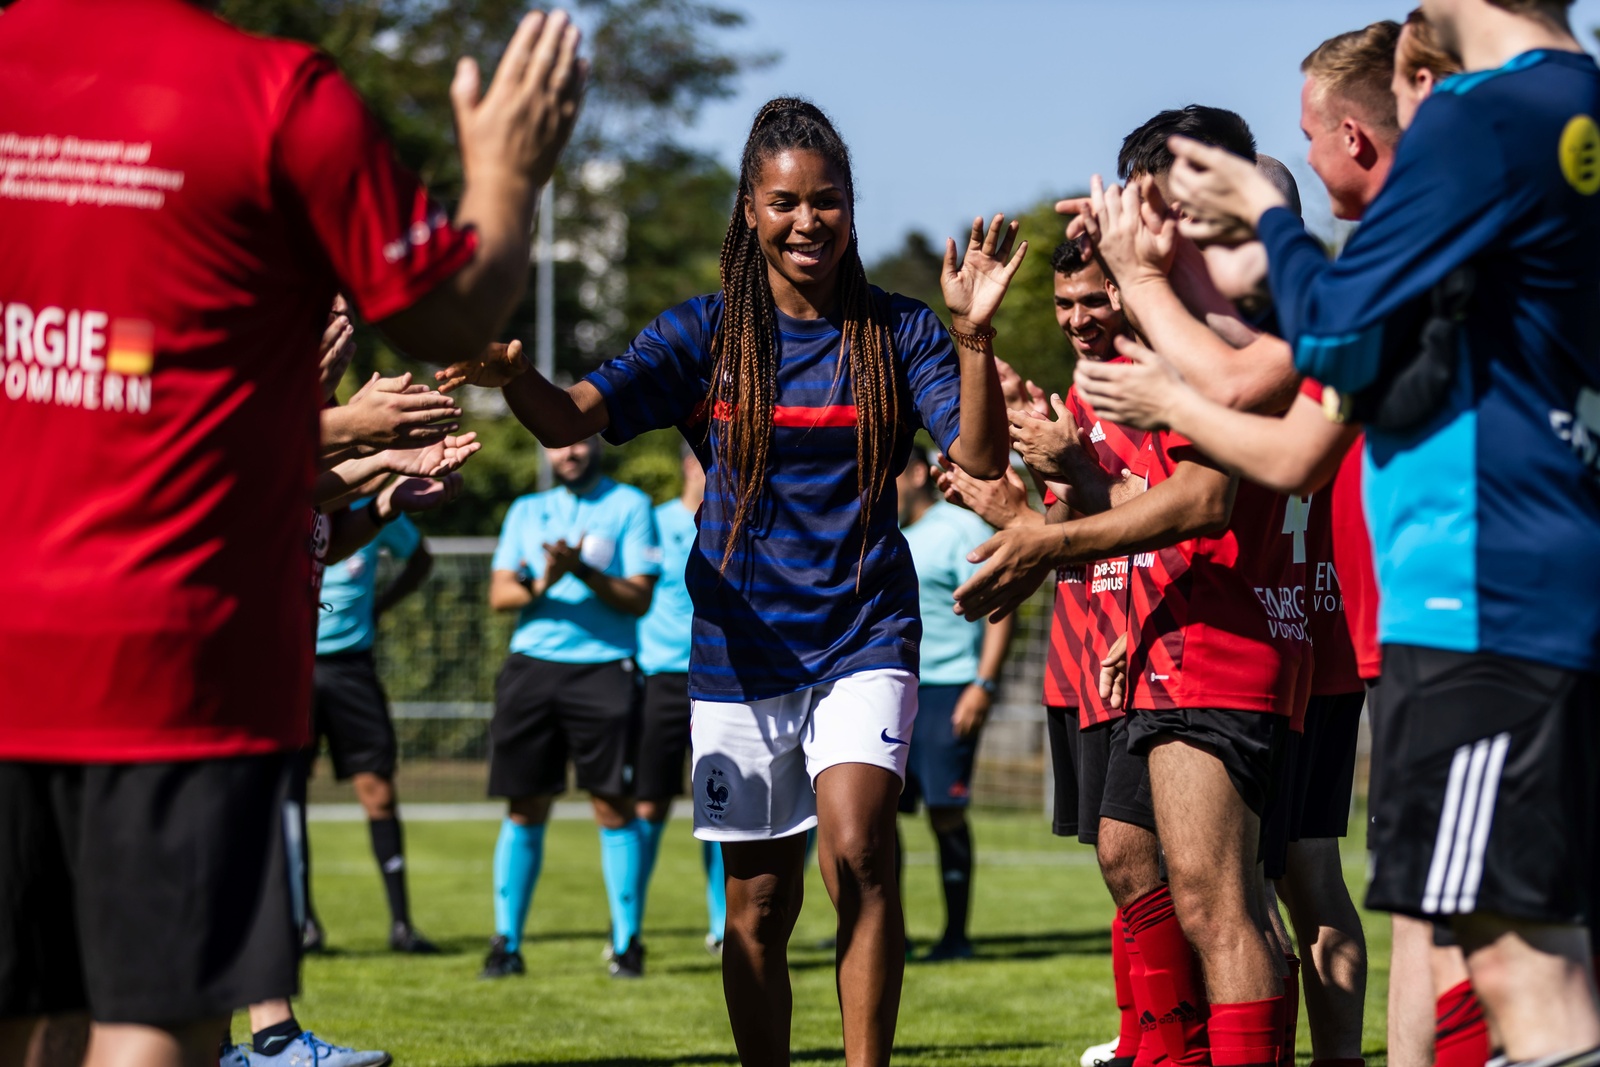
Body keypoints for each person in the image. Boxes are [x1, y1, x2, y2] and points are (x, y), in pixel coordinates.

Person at [0, 2, 583, 1064]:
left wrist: (369, 472)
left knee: (37, 1010)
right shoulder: (276, 98)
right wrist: (508, 174)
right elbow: (451, 314)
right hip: (166, 665)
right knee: (154, 1019)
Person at [439, 96, 1011, 1067]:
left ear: (851, 207)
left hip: (863, 634)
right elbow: (569, 418)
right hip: (738, 651)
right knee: (758, 903)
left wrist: (975, 338)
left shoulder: (900, 330)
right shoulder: (701, 335)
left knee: (860, 851)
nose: (807, 222)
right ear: (749, 209)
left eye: (827, 201)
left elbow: (981, 457)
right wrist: (514, 375)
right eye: (785, 202)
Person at [1163, 0, 1600, 1061]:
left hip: (1480, 588)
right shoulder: (1571, 108)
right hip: (1526, 574)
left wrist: (1264, 218)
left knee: (1509, 958)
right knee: (1498, 942)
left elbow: (1334, 331)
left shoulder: (1482, 114)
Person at [481, 437, 660, 980]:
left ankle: (627, 944)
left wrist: (581, 571)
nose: (569, 453)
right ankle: (506, 944)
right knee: (525, 806)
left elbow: (639, 598)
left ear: (596, 443)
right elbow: (500, 596)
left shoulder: (630, 505)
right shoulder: (526, 510)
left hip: (605, 669)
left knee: (613, 805)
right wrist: (548, 579)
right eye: (557, 445)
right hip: (531, 669)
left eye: (578, 440)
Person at [895, 443, 1015, 962]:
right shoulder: (884, 530)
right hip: (892, 690)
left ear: (918, 474)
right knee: (876, 815)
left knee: (945, 813)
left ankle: (955, 937)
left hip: (949, 690)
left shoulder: (960, 529)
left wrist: (982, 685)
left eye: (891, 473)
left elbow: (1001, 605)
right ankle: (886, 932)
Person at [303, 495, 438, 955]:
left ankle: (401, 925)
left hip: (352, 669)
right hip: (292, 664)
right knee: (287, 797)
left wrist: (380, 607)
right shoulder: (298, 498)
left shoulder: (374, 506)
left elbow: (420, 560)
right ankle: (303, 925)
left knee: (378, 791)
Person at [634, 446, 727, 955]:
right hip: (663, 678)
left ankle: (723, 927)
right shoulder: (652, 521)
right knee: (649, 803)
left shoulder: (736, 519)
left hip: (722, 678)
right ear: (690, 465)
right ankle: (628, 931)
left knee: (722, 805)